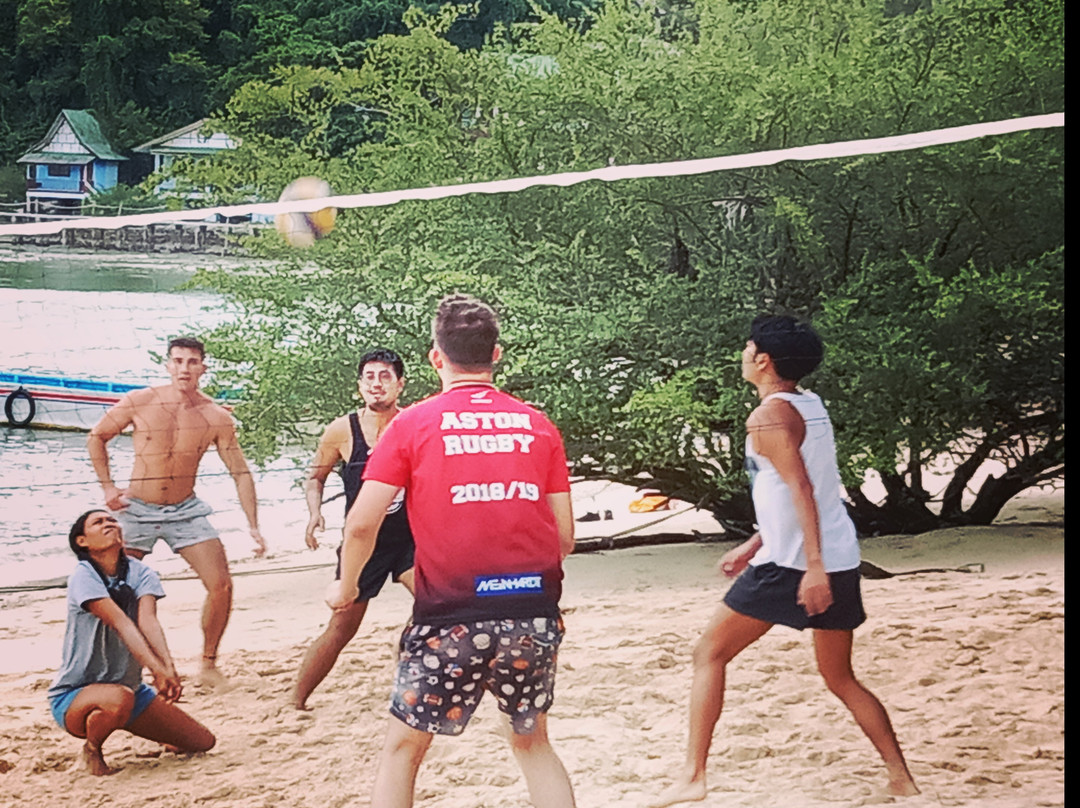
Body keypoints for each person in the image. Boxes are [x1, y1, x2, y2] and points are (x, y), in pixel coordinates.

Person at [651, 315, 919, 807]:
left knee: (709, 654)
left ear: (763, 360)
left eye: (748, 347)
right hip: (834, 554)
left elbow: (802, 487)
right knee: (840, 677)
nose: (743, 354)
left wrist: (810, 567)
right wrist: (755, 542)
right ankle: (902, 779)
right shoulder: (808, 402)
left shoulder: (767, 416)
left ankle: (693, 776)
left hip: (796, 564)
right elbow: (793, 488)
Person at [327, 294, 577, 808]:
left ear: (435, 358)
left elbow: (361, 525)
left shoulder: (410, 425)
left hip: (450, 619)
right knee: (532, 744)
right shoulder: (537, 424)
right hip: (531, 613)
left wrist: (346, 586)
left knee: (403, 750)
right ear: (497, 355)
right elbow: (564, 538)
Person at [87, 336, 266, 687]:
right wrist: (108, 486)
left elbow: (240, 472)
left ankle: (209, 664)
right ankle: (119, 667)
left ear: (203, 367)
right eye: (178, 361)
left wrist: (253, 525)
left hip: (185, 510)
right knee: (111, 589)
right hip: (136, 508)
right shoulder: (141, 401)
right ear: (168, 364)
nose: (184, 368)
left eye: (192, 362)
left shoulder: (216, 416)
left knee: (221, 584)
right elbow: (97, 435)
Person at [292, 348, 416, 710]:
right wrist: (314, 515)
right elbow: (315, 477)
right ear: (360, 385)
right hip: (363, 543)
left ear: (400, 384)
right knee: (342, 626)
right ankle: (296, 700)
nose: (377, 384)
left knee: (433, 603)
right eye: (370, 377)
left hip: (410, 537)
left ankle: (407, 677)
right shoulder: (341, 430)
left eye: (385, 377)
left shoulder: (413, 423)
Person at [48, 510, 216, 775]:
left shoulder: (142, 571)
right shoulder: (83, 574)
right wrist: (156, 670)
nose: (109, 524)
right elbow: (122, 623)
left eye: (112, 520)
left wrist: (168, 668)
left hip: (130, 690)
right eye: (98, 522)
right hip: (74, 695)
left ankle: (142, 725)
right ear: (82, 541)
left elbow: (147, 620)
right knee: (118, 698)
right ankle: (92, 750)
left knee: (202, 742)